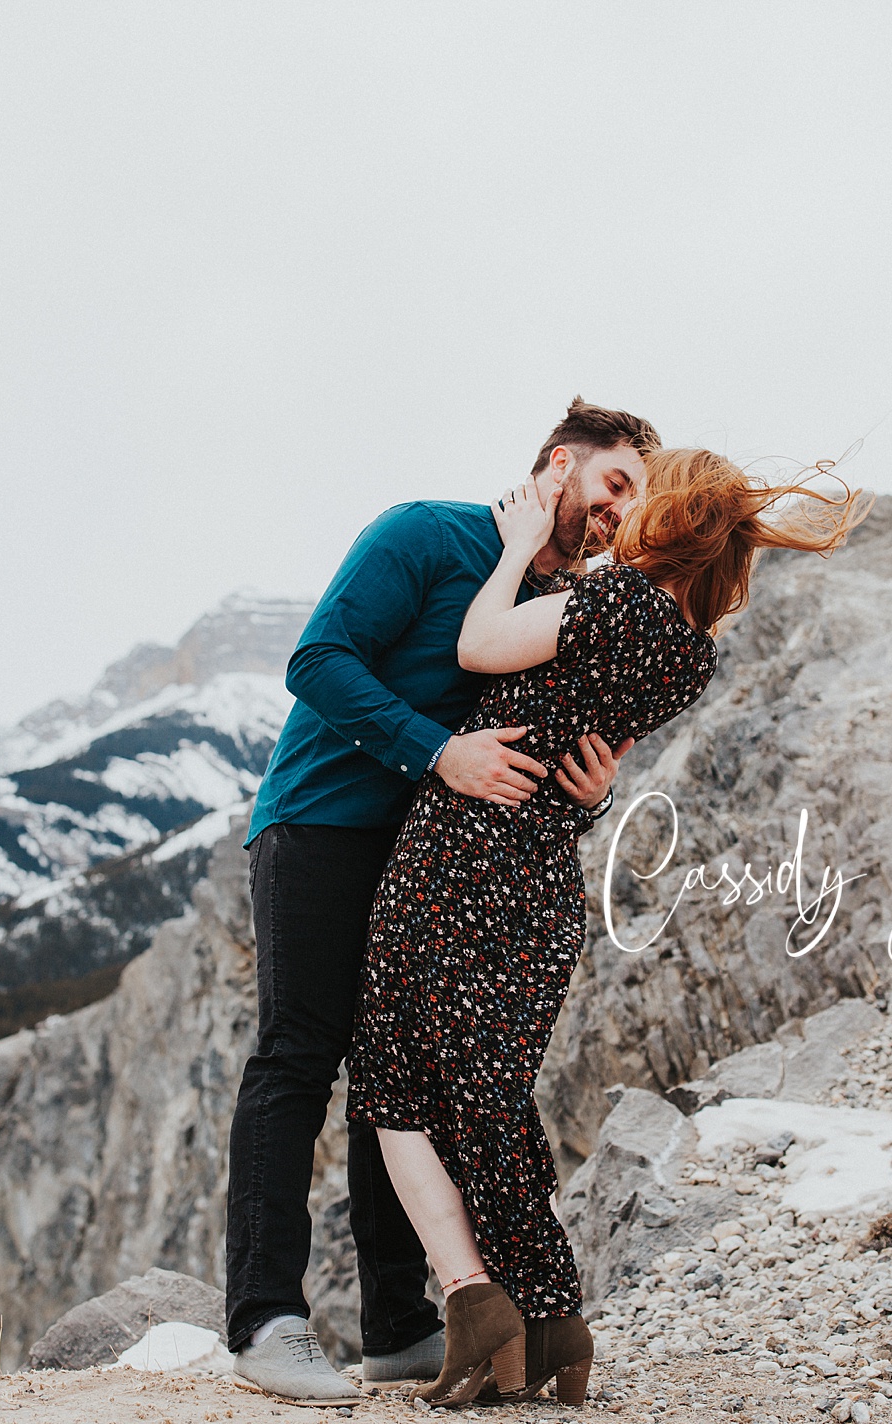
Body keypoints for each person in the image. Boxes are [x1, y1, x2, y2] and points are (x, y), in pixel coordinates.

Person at [347, 448, 869, 1406]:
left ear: (666, 516)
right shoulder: (690, 655)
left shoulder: (611, 602)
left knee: (394, 1087)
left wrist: (511, 551)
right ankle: (551, 1317)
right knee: (491, 1094)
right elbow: (592, 752)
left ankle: (478, 1304)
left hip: (460, 853)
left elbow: (477, 648)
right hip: (545, 880)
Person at [228, 399, 662, 1405]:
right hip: (323, 825)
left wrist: (583, 792)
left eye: (636, 502)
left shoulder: (564, 603)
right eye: (613, 484)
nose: (618, 514)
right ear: (559, 463)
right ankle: (263, 1320)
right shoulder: (425, 532)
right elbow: (316, 662)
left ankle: (398, 1326)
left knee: (404, 1068)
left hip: (433, 860)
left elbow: (526, 754)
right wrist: (436, 750)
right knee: (299, 1054)